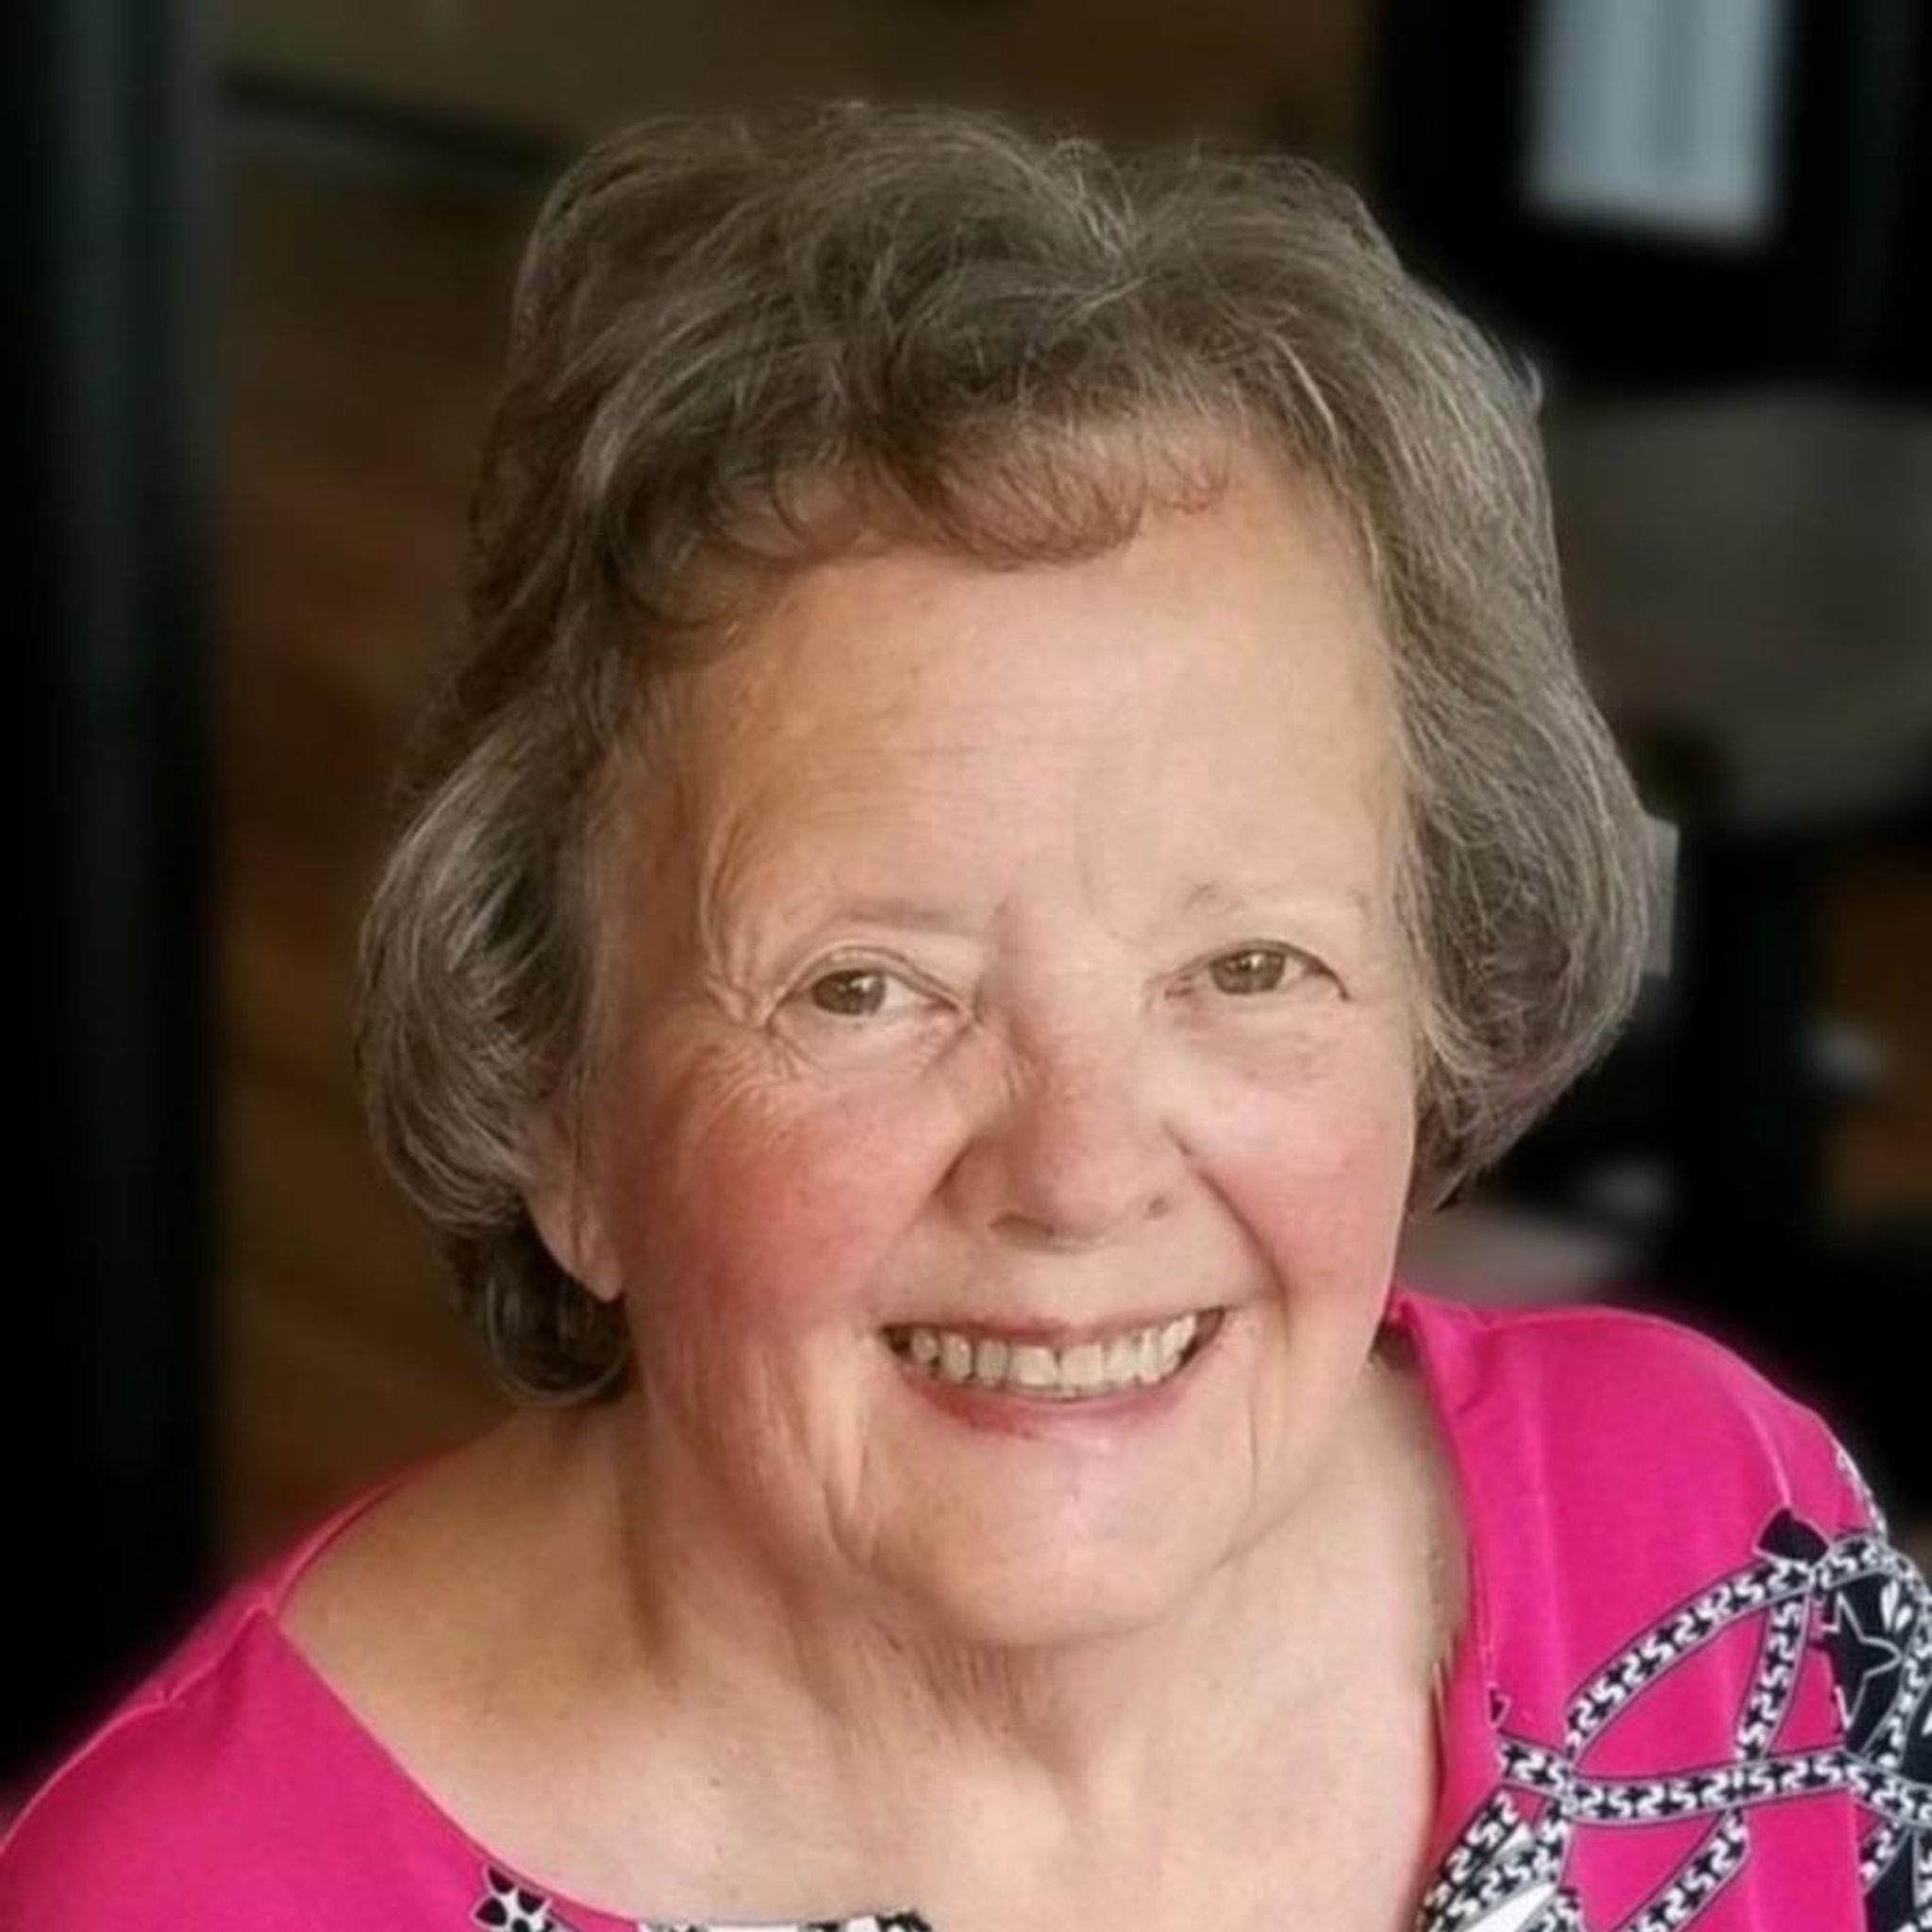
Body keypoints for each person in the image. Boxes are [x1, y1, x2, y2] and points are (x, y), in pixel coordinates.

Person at [5, 103, 1925, 1932]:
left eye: (1249, 966)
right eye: (867, 988)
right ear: (554, 1094)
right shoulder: (203, 1895)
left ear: (1433, 1016)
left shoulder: (1709, 1535)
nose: (1078, 1175)